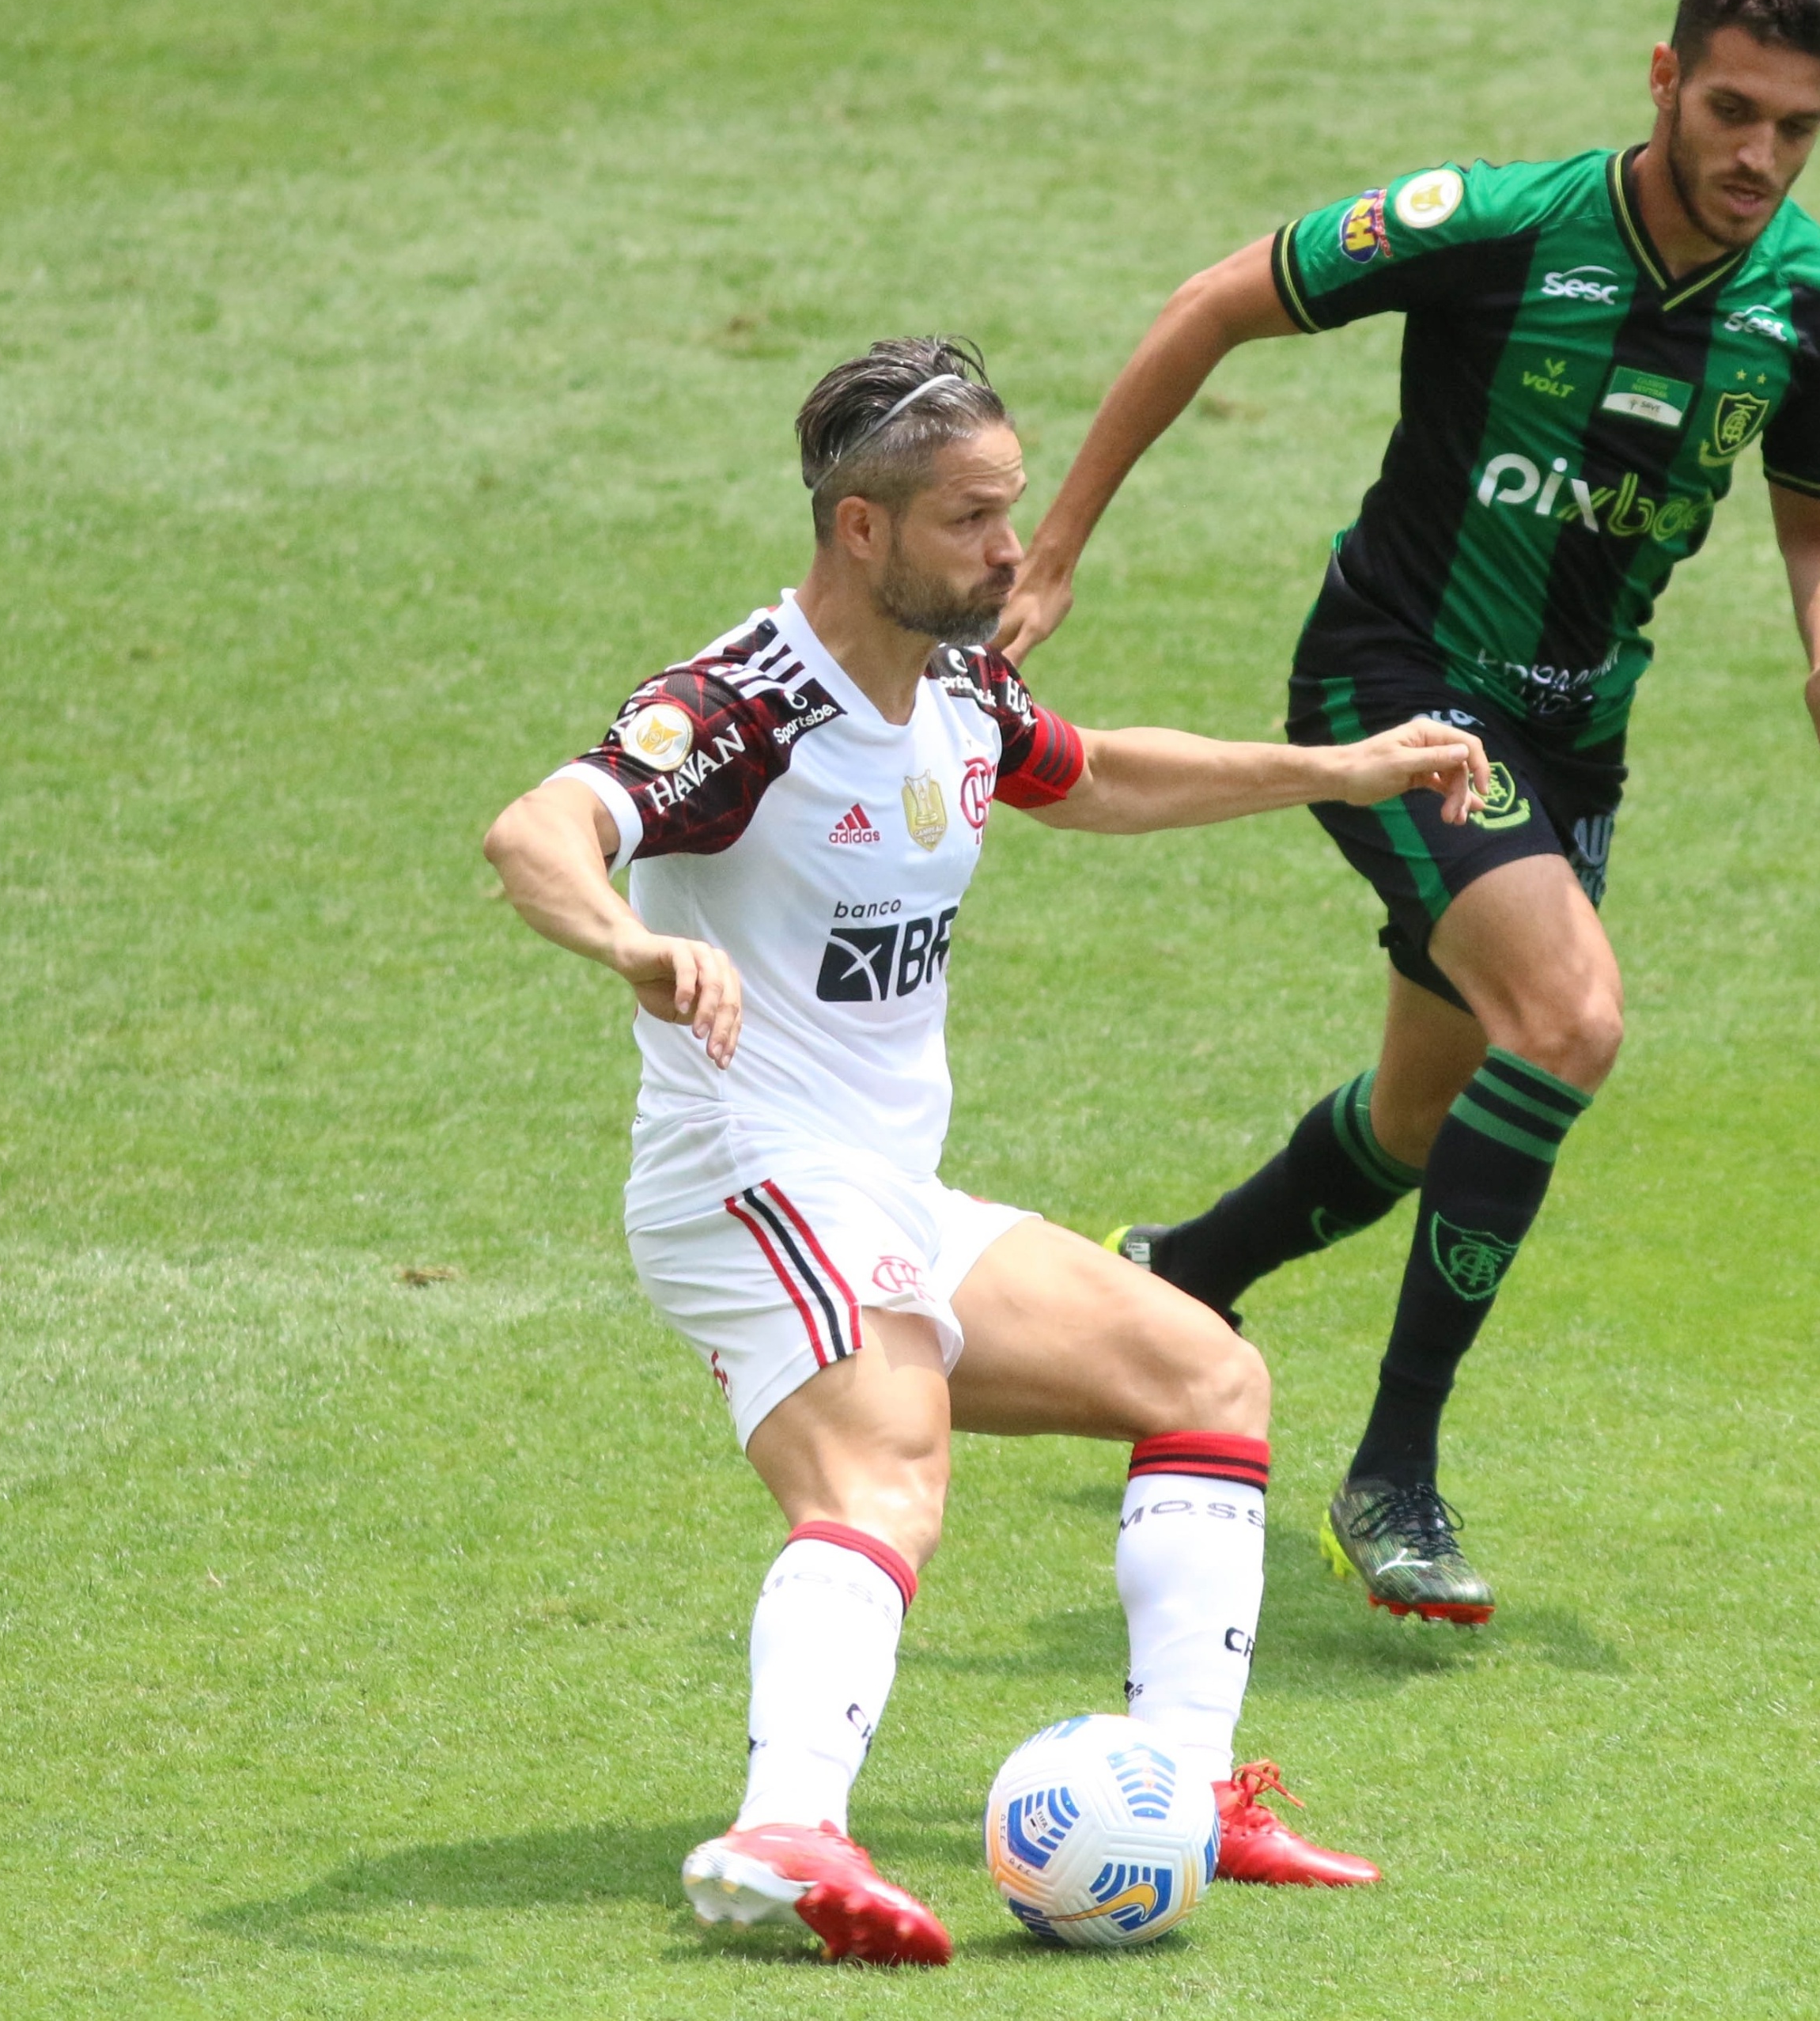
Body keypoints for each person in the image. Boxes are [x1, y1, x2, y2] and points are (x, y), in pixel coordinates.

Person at [482, 337, 1489, 1966]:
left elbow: (1086, 776)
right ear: (861, 529)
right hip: (748, 1179)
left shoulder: (955, 683)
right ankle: (781, 1828)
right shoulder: (742, 704)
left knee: (1203, 1371)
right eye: (972, 517)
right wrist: (633, 945)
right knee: (888, 1456)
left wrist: (1339, 768)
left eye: (1012, 510)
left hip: (887, 1191)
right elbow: (541, 825)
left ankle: (1185, 1786)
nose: (1014, 550)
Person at [995, 0, 1820, 1627]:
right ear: (1662, 79)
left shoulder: (1804, 301)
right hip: (1396, 692)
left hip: (1570, 744)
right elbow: (1216, 299)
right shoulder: (1494, 227)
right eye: (1733, 108)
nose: (1758, 156)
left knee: (1424, 1118)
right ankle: (1391, 1468)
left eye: (1800, 127)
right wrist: (1061, 542)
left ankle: (1179, 1278)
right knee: (1570, 1020)